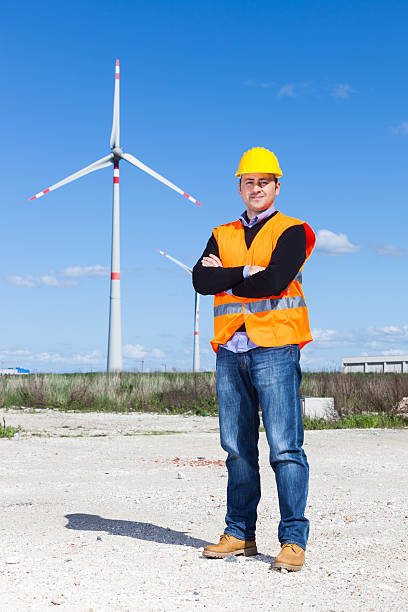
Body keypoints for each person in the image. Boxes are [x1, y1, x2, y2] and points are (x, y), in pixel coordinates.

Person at [192, 147, 316, 572]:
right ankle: (239, 533)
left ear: (277, 187)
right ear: (239, 187)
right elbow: (200, 280)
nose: (257, 187)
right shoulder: (220, 232)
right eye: (250, 181)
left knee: (284, 448)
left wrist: (226, 277)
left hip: (276, 348)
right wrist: (246, 273)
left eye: (265, 181)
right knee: (236, 449)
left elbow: (277, 279)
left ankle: (293, 540)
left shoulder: (294, 230)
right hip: (230, 350)